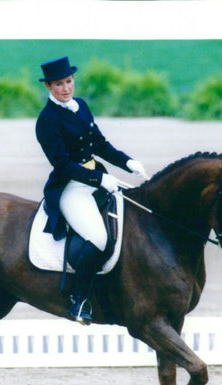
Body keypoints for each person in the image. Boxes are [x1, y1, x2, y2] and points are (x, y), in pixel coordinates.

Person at [35, 56, 148, 324]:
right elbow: (62, 165)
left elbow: (99, 144)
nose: (66, 88)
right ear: (49, 87)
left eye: (69, 81)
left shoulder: (80, 106)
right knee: (98, 239)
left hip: (96, 179)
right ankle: (77, 301)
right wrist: (98, 179)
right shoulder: (47, 120)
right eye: (59, 84)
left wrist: (127, 161)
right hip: (72, 188)